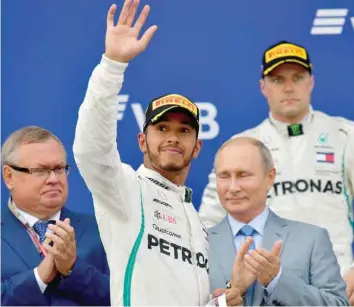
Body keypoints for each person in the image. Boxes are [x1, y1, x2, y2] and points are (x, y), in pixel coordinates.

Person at [73, 0, 242, 306]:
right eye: (162, 128)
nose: (173, 138)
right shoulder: (125, 190)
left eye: (184, 131)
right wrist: (112, 65)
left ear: (198, 147)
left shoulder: (196, 219)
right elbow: (90, 149)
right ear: (141, 140)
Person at [199, 40, 354, 302]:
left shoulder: (345, 135)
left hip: (336, 285)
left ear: (311, 82)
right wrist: (223, 283)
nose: (289, 87)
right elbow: (207, 227)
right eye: (278, 80)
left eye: (297, 77)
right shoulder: (244, 146)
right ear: (263, 87)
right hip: (261, 289)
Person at [208, 136, 348, 306]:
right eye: (224, 176)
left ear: (270, 177)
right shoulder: (198, 243)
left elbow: (339, 304)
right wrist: (226, 298)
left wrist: (277, 281)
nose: (233, 187)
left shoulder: (312, 239)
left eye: (243, 175)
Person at [1, 126, 110, 306]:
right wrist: (38, 277)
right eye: (40, 170)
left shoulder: (101, 230)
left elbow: (123, 297)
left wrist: (73, 268)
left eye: (59, 168)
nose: (53, 179)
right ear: (9, 176)